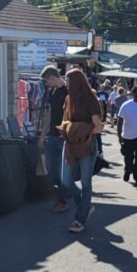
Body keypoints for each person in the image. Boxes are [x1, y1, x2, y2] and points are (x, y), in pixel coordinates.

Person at [58, 68, 104, 233]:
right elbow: (64, 122)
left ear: (76, 82)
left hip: (87, 145)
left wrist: (80, 131)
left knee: (85, 183)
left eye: (68, 80)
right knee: (66, 181)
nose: (66, 83)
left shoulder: (91, 100)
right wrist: (68, 130)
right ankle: (85, 207)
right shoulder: (68, 99)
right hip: (70, 145)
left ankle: (79, 219)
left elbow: (98, 127)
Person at [38, 66, 71, 214]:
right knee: (50, 169)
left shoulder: (68, 92)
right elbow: (49, 115)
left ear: (52, 77)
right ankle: (64, 194)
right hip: (52, 136)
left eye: (46, 81)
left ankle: (63, 200)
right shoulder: (53, 92)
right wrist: (42, 136)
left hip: (63, 137)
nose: (46, 84)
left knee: (61, 170)